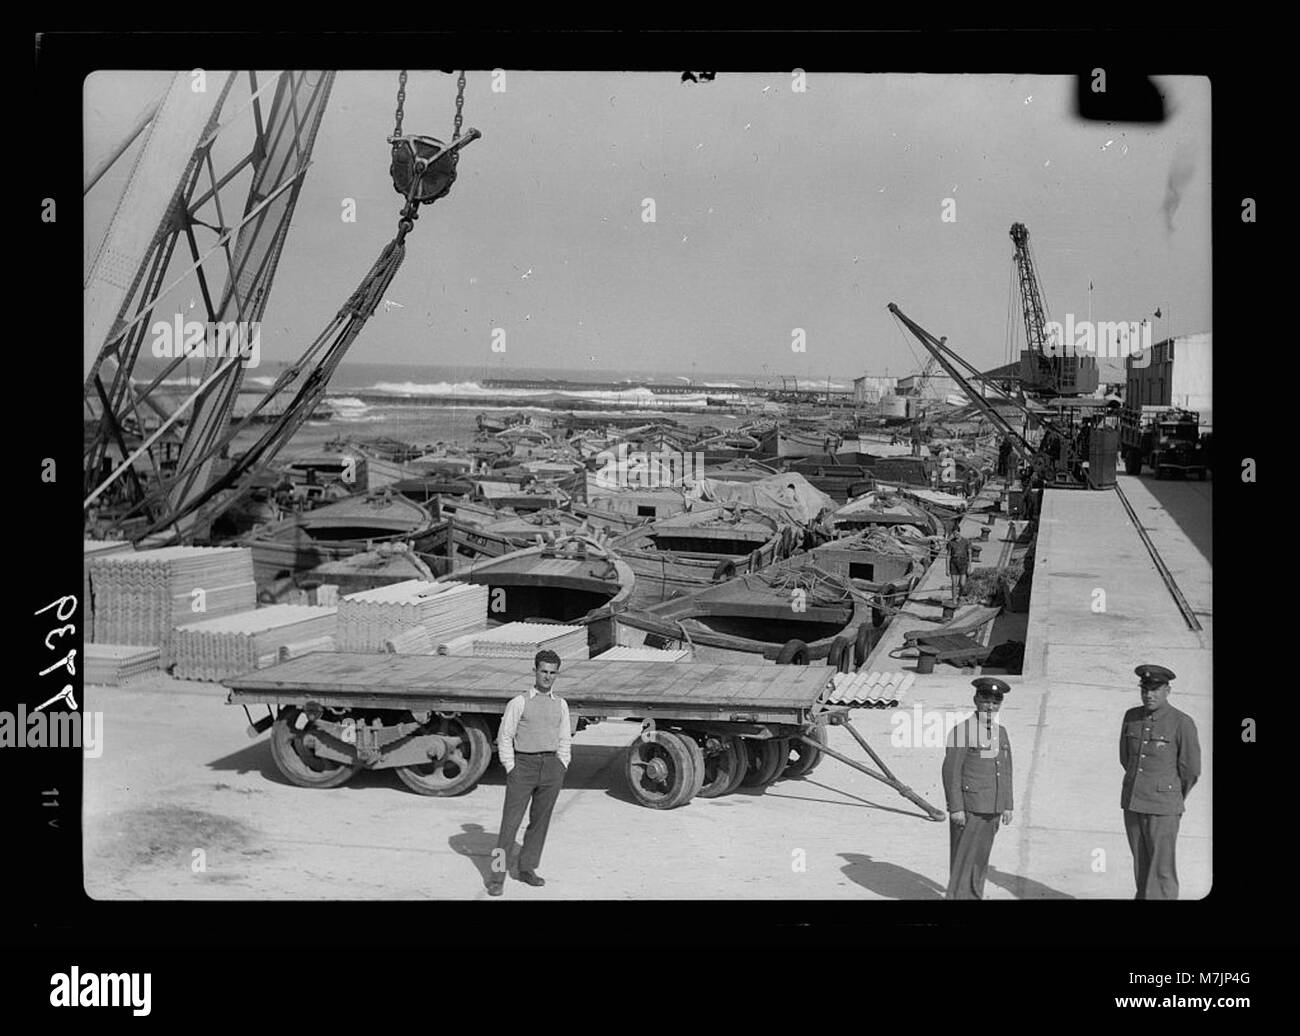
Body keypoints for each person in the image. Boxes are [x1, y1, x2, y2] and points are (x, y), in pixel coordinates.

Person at [489, 650, 572, 895]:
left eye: (552, 672)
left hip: (551, 768)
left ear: (557, 674)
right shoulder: (519, 702)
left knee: (540, 823)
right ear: (534, 671)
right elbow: (504, 737)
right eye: (543, 671)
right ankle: (496, 877)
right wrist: (511, 767)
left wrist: (562, 764)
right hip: (523, 767)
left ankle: (527, 868)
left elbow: (565, 738)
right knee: (509, 825)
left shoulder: (561, 704)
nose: (547, 677)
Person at [1119, 664, 1200, 899]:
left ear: (1168, 690)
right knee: (1141, 868)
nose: (1149, 695)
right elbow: (1126, 758)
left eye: (1155, 689)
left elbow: (1190, 770)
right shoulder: (1131, 717)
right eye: (1145, 689)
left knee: (1162, 872)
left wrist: (1169, 795)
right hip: (1134, 804)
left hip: (1164, 808)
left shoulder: (1181, 722)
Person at [942, 677, 1014, 899]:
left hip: (992, 807)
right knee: (964, 861)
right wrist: (956, 808)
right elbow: (951, 771)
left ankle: (975, 895)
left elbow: (1006, 770)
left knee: (980, 861)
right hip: (970, 807)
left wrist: (1007, 805)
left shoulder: (1000, 732)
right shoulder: (962, 731)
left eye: (995, 703)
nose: (990, 707)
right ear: (976, 700)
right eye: (985, 701)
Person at [946, 522, 971, 602]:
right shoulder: (950, 543)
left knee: (962, 583)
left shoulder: (966, 541)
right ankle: (954, 599)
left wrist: (969, 566)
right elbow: (948, 555)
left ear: (959, 532)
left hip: (963, 564)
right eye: (954, 533)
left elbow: (969, 554)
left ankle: (960, 595)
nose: (955, 535)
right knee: (954, 583)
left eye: (957, 533)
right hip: (953, 564)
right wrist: (947, 568)